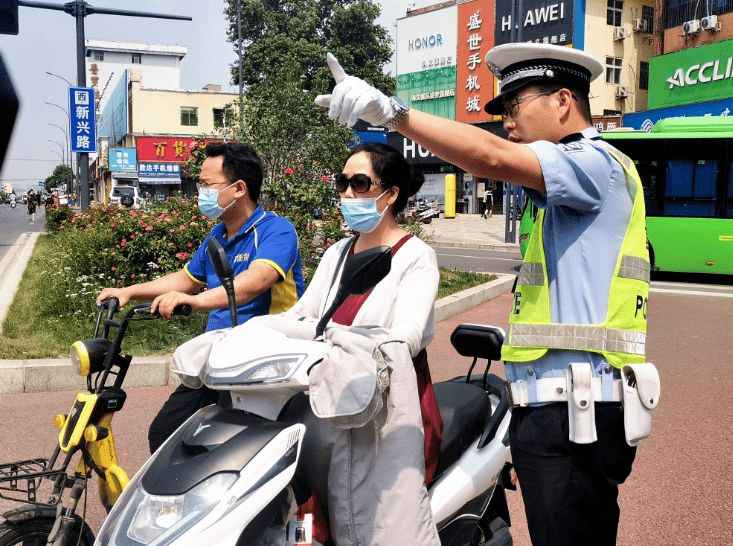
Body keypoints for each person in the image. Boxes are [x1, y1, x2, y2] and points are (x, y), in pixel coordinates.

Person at [315, 44, 653, 546]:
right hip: (555, 408)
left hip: (576, 411)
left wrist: (395, 114)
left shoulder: (594, 163)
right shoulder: (565, 191)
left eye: (515, 107)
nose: (507, 123)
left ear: (563, 100)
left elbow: (493, 157)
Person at [96, 142, 305, 454]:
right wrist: (128, 291)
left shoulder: (277, 230)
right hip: (220, 356)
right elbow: (185, 279)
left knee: (229, 450)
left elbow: (255, 282)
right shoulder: (217, 237)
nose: (200, 193)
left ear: (239, 189)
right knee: (166, 433)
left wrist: (196, 301)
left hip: (263, 364)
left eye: (207, 185)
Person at [284, 142, 442, 546]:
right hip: (330, 396)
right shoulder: (338, 253)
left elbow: (405, 337)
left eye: (359, 183)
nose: (347, 195)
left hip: (390, 407)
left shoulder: (416, 256)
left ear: (390, 195)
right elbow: (302, 317)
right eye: (342, 184)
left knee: (383, 523)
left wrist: (333, 336)